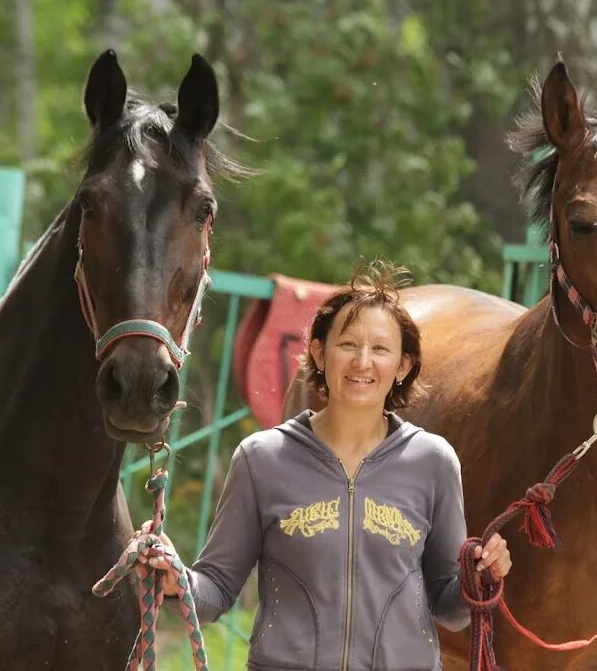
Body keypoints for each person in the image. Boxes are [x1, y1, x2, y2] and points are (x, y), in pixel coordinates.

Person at [139, 261, 511, 670]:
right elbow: (216, 590)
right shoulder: (261, 459)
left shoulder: (433, 461)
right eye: (348, 344)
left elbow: (450, 609)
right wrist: (178, 582)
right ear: (319, 352)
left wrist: (480, 577)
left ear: (403, 366)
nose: (362, 362)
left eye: (381, 349)